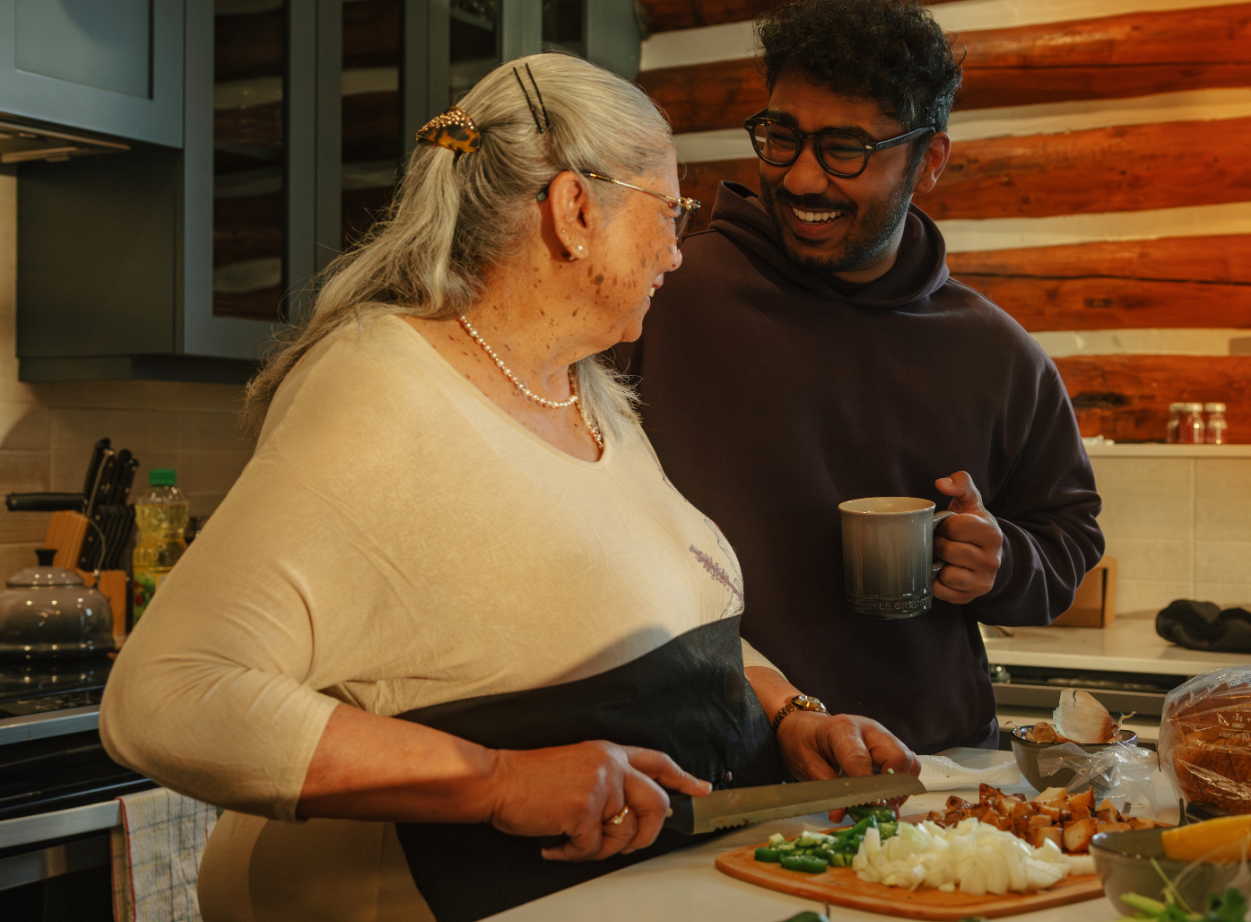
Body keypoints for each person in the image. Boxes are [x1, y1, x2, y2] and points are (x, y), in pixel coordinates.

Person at [99, 54, 915, 922]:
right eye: (669, 212)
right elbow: (167, 695)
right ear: (573, 210)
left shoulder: (589, 396)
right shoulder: (384, 388)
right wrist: (494, 782)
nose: (679, 251)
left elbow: (675, 630)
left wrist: (792, 715)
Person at [618, 0, 1105, 756]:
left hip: (926, 774)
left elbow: (1069, 536)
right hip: (707, 766)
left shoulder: (997, 354)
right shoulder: (659, 301)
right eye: (782, 136)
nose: (803, 177)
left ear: (930, 160)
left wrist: (1002, 560)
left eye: (846, 148)